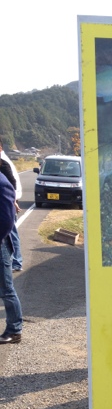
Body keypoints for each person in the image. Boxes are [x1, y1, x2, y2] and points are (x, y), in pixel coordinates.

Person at [0, 171, 23, 343]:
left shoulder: (1, 183)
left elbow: (8, 220)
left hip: (1, 244)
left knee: (6, 290)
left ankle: (14, 330)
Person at [0, 139, 23, 271]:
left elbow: (12, 184)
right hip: (8, 202)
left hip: (8, 203)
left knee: (11, 233)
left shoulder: (3, 163)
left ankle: (16, 262)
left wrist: (13, 202)